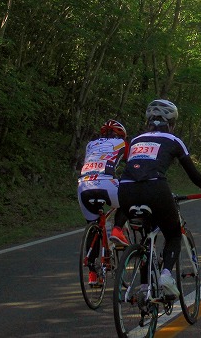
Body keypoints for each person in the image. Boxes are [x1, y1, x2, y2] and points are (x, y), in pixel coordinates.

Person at [110, 99, 201, 298]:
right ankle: (165, 275)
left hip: (126, 189)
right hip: (155, 187)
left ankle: (143, 287)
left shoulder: (137, 140)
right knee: (173, 233)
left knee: (146, 237)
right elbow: (191, 172)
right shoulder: (173, 140)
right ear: (172, 123)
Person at [77, 119, 129, 286]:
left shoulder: (91, 144)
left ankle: (93, 273)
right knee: (128, 200)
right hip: (107, 182)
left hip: (84, 186)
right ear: (121, 134)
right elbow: (132, 165)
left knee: (93, 226)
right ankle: (118, 230)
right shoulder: (123, 143)